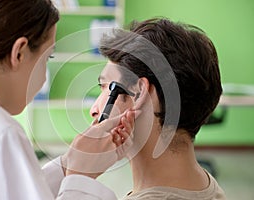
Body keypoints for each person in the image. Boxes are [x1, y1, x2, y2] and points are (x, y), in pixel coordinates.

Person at [0, 0, 136, 199]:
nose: (42, 81)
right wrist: (80, 178)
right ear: (20, 53)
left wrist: (69, 164)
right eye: (47, 58)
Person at [90, 17, 227, 199]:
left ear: (139, 94)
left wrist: (77, 179)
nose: (94, 109)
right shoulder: (205, 186)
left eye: (106, 86)